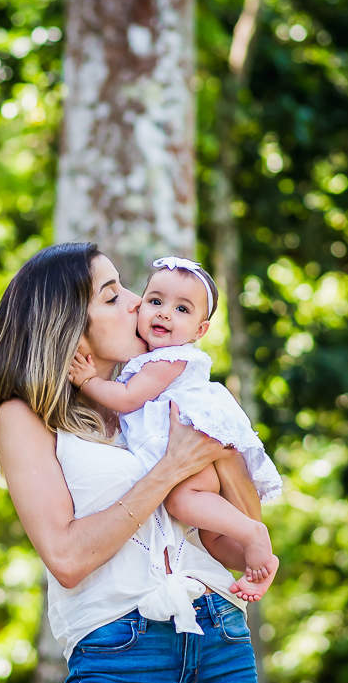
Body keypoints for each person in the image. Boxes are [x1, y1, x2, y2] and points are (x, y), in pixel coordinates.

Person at [0, 242, 260, 683]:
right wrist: (170, 469)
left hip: (221, 640)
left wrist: (225, 449)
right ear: (66, 324)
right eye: (113, 296)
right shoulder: (27, 416)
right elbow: (65, 558)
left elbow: (244, 543)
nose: (136, 302)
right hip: (120, 655)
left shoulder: (164, 401)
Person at [67, 256, 280, 597]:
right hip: (185, 454)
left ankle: (254, 536)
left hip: (192, 450)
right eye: (155, 301)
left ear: (200, 331)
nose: (164, 313)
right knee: (210, 537)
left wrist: (87, 380)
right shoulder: (147, 360)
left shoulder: (168, 359)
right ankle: (261, 562)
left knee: (181, 502)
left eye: (182, 310)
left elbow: (125, 399)